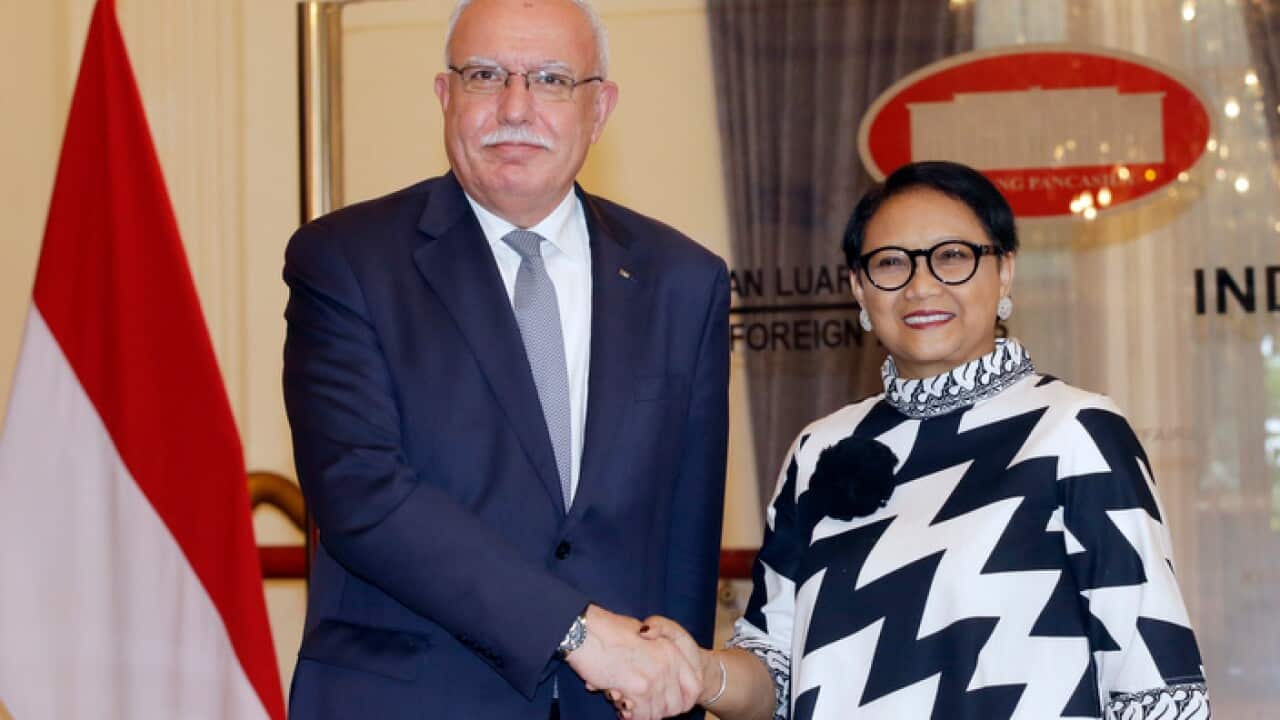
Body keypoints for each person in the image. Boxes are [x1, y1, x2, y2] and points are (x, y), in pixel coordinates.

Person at [633, 161, 1210, 720]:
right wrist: (705, 675)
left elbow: (1156, 688)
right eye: (891, 263)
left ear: (1005, 271)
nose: (921, 285)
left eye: (953, 257)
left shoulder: (1076, 432)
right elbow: (776, 675)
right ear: (860, 288)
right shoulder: (819, 449)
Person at [281, 1, 729, 718]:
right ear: (444, 95)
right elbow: (361, 494)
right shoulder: (345, 262)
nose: (514, 106)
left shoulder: (684, 280)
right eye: (485, 75)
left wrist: (667, 689)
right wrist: (573, 628)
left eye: (551, 80)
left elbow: (685, 535)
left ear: (600, 108)